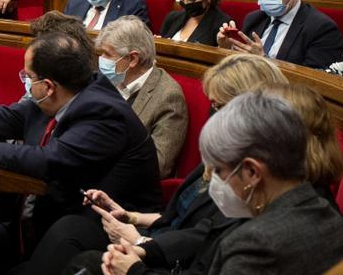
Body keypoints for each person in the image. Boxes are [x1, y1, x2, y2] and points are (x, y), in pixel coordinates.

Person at [0, 32, 160, 273]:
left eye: (27, 76)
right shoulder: (66, 92)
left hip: (99, 230)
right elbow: (8, 117)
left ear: (49, 86)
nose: (24, 82)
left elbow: (50, 160)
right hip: (47, 213)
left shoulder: (103, 112)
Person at [24, 54, 287, 275]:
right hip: (159, 235)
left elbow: (203, 240)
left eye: (220, 106)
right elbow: (181, 217)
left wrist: (139, 243)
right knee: (71, 225)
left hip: (174, 259)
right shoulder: (222, 154)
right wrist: (129, 215)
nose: (213, 114)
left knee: (85, 257)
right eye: (213, 105)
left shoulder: (251, 176)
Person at [98, 92, 343, 275]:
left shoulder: (254, 245)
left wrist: (133, 272)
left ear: (252, 171)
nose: (213, 180)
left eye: (219, 171)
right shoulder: (325, 214)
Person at [96, 16, 188, 178]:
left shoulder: (168, 97)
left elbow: (159, 164)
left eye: (107, 54)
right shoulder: (106, 81)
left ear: (133, 59)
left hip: (122, 187)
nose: (101, 60)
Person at [217, 0, 343, 69]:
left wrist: (263, 61)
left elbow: (315, 82)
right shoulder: (254, 19)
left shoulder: (321, 28)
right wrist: (228, 49)